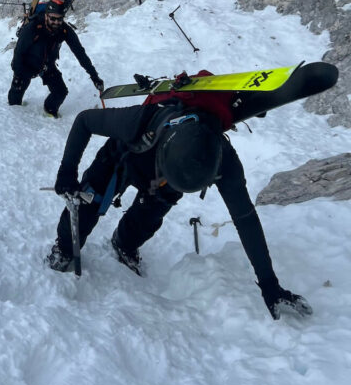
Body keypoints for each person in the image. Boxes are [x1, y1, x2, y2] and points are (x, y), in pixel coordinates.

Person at [46, 72, 313, 320]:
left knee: (147, 218)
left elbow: (246, 219)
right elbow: (84, 121)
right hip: (125, 156)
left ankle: (124, 244)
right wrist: (66, 172)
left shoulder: (224, 160)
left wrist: (270, 286)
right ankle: (65, 247)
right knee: (86, 204)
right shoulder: (140, 119)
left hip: (166, 181)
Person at [8, 0, 104, 117]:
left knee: (61, 92)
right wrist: (18, 74)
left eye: (60, 19)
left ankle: (49, 110)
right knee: (16, 96)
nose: (56, 22)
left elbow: (80, 53)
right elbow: (18, 52)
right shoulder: (33, 28)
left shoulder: (64, 30)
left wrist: (94, 76)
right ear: (46, 16)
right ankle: (13, 115)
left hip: (47, 65)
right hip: (27, 63)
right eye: (53, 18)